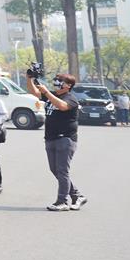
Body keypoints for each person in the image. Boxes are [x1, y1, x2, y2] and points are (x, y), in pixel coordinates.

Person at [26, 71, 86, 211]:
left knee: (62, 171)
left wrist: (47, 92)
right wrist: (29, 78)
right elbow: (33, 92)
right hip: (50, 138)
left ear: (68, 85)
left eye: (61, 81)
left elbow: (62, 106)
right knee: (55, 170)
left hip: (65, 139)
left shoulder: (71, 98)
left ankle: (62, 201)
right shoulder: (52, 95)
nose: (57, 83)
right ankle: (77, 195)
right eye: (56, 80)